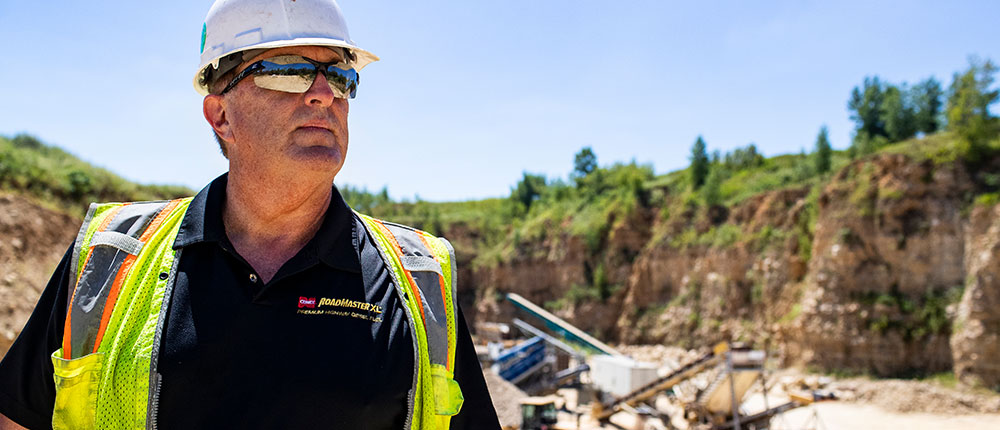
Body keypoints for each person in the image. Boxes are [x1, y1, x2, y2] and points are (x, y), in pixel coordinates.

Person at [0, 0, 501, 428]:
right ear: (220, 116)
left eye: (340, 75)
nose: (324, 93)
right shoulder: (111, 258)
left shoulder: (419, 282)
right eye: (289, 71)